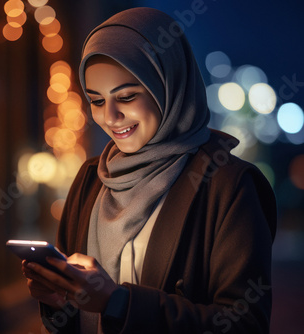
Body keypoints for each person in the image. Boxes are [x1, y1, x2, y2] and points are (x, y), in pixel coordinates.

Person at [22, 7, 276, 334]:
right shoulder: (91, 179)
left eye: (126, 96)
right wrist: (61, 301)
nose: (110, 116)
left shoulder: (228, 184)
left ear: (167, 87)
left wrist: (118, 303)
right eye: (96, 101)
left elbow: (245, 325)